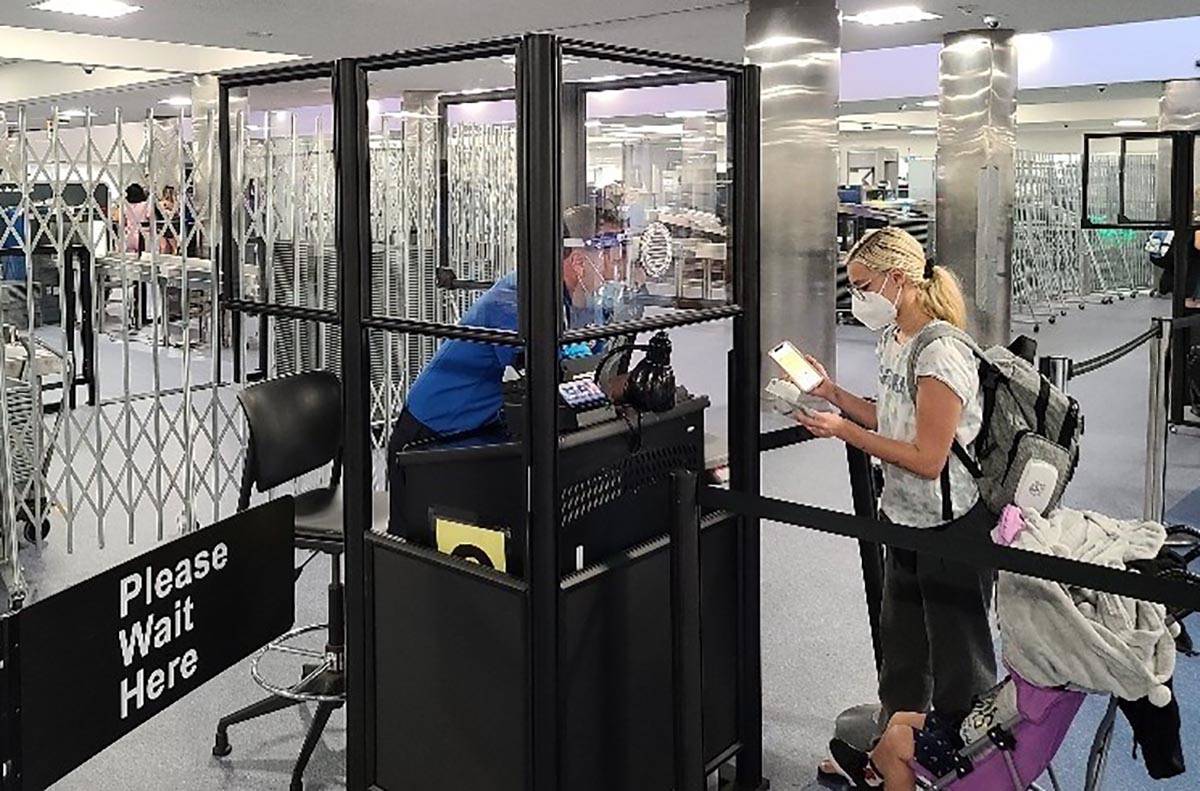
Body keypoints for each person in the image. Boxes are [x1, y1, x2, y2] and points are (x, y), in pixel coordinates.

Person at [796, 228, 997, 770]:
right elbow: (892, 421)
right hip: (902, 516)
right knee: (903, 652)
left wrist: (843, 432)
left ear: (899, 279)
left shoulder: (942, 352)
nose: (858, 298)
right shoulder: (894, 340)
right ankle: (894, 756)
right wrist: (833, 395)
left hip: (950, 525)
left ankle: (968, 768)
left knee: (961, 664)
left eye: (864, 286)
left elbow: (928, 457)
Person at [388, 204, 621, 451]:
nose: (616, 264)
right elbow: (550, 377)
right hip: (433, 432)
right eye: (609, 253)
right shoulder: (519, 299)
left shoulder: (566, 298)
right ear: (578, 261)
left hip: (478, 426)